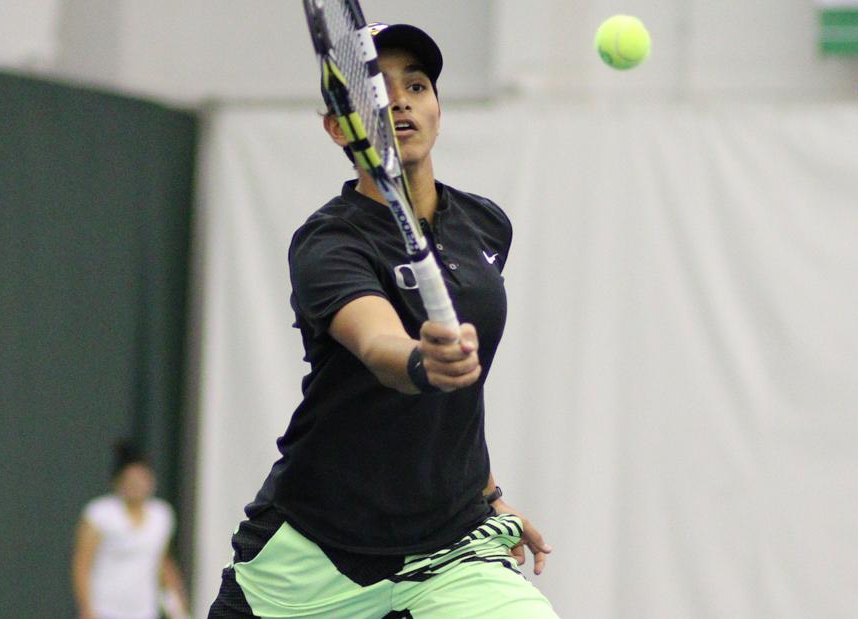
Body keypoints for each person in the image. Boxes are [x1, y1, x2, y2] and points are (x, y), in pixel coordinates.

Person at [207, 22, 558, 619]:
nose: (397, 100)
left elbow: (447, 416)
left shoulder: (485, 227)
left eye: (416, 86)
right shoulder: (328, 244)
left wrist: (489, 493)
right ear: (336, 126)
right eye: (373, 90)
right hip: (317, 556)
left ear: (438, 110)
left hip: (449, 551)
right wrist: (422, 361)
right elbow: (377, 344)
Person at [73, 441, 190, 619]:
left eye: (142, 479)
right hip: (105, 609)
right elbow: (82, 563)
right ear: (118, 483)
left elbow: (162, 562)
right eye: (131, 480)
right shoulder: (100, 514)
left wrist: (177, 606)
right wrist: (87, 609)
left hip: (144, 611)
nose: (137, 486)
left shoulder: (162, 515)